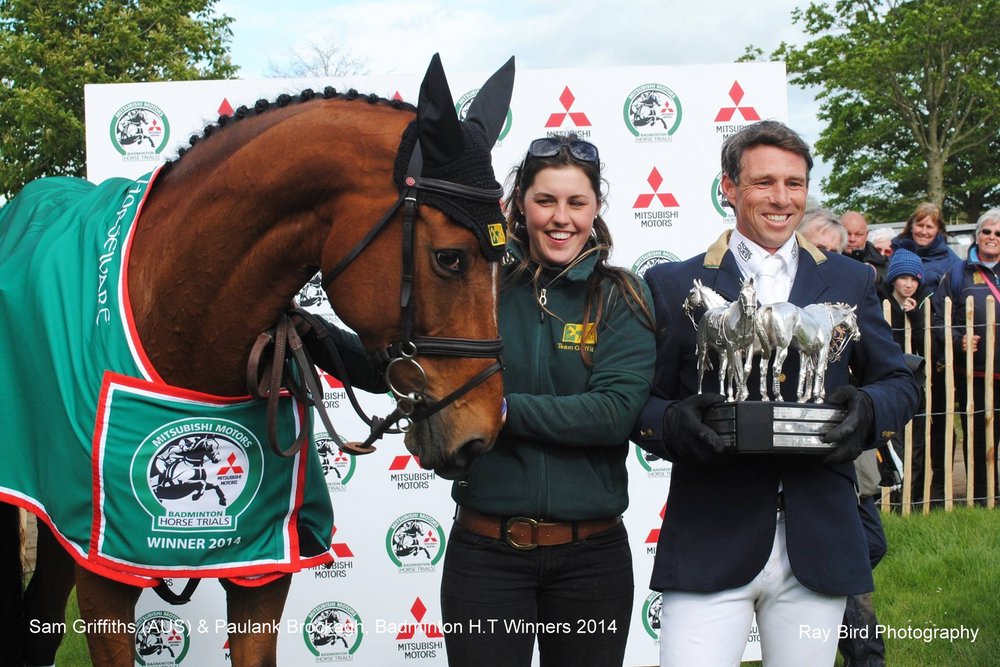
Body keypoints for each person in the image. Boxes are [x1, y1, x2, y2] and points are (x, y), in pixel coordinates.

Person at [633, 120, 919, 666]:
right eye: (764, 182)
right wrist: (672, 426)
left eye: (794, 183)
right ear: (729, 187)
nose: (782, 198)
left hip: (819, 534)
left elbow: (899, 382)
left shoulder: (851, 280)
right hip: (711, 533)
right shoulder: (672, 285)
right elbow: (640, 401)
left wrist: (866, 412)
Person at [439, 134, 655, 667]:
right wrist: (314, 337)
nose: (562, 218)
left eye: (577, 202)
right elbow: (411, 362)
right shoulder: (478, 286)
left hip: (592, 559)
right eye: (545, 200)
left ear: (596, 207)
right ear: (519, 205)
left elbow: (612, 414)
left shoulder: (620, 295)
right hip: (485, 555)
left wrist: (496, 408)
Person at [932, 208, 1000, 506]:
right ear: (977, 234)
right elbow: (938, 319)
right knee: (978, 436)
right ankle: (984, 497)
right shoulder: (957, 273)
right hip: (975, 374)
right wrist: (958, 339)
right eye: (987, 231)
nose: (992, 237)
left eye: (998, 233)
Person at [879, 249, 931, 506]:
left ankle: (914, 495)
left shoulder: (922, 306)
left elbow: (929, 345)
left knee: (917, 439)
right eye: (903, 278)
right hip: (888, 381)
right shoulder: (881, 305)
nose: (909, 284)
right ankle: (891, 495)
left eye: (914, 279)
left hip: (915, 380)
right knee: (892, 437)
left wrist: (916, 316)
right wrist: (900, 314)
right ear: (893, 279)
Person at [842, 210, 889, 283]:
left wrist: (875, 278)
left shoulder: (883, 263)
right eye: (847, 233)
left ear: (866, 235)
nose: (852, 239)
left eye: (858, 234)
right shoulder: (826, 258)